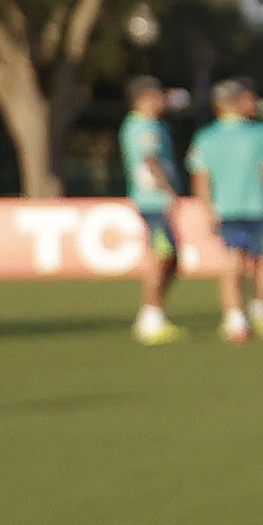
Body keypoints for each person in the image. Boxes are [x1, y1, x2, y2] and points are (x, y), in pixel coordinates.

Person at [187, 78, 263, 342]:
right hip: (256, 206)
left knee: (231, 262)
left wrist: (207, 209)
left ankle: (235, 320)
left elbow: (201, 177)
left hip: (225, 208)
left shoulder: (206, 137)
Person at [116, 75, 187, 344]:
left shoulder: (146, 125)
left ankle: (153, 312)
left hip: (153, 200)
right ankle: (151, 316)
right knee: (163, 254)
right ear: (143, 99)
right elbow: (150, 159)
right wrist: (167, 189)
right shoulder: (144, 127)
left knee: (171, 257)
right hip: (152, 199)